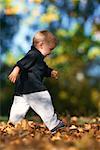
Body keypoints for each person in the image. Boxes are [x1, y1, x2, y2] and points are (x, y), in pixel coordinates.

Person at [8, 30, 65, 134]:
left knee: (18, 108)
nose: (50, 52)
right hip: (33, 88)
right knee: (44, 101)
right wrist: (16, 70)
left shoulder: (38, 59)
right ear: (41, 45)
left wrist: (50, 72)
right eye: (50, 49)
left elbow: (43, 68)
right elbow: (22, 63)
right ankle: (54, 124)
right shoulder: (33, 55)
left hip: (21, 90)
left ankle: (13, 124)